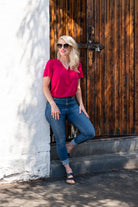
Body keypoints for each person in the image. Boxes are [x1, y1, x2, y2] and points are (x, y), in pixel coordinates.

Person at [43, 35, 95, 184]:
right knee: (60, 139)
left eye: (65, 46)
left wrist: (81, 105)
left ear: (71, 47)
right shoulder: (51, 64)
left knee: (89, 131)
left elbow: (78, 88)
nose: (62, 49)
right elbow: (45, 87)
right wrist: (52, 104)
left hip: (72, 104)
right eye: (59, 45)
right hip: (56, 104)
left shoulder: (76, 64)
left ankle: (70, 145)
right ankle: (68, 170)